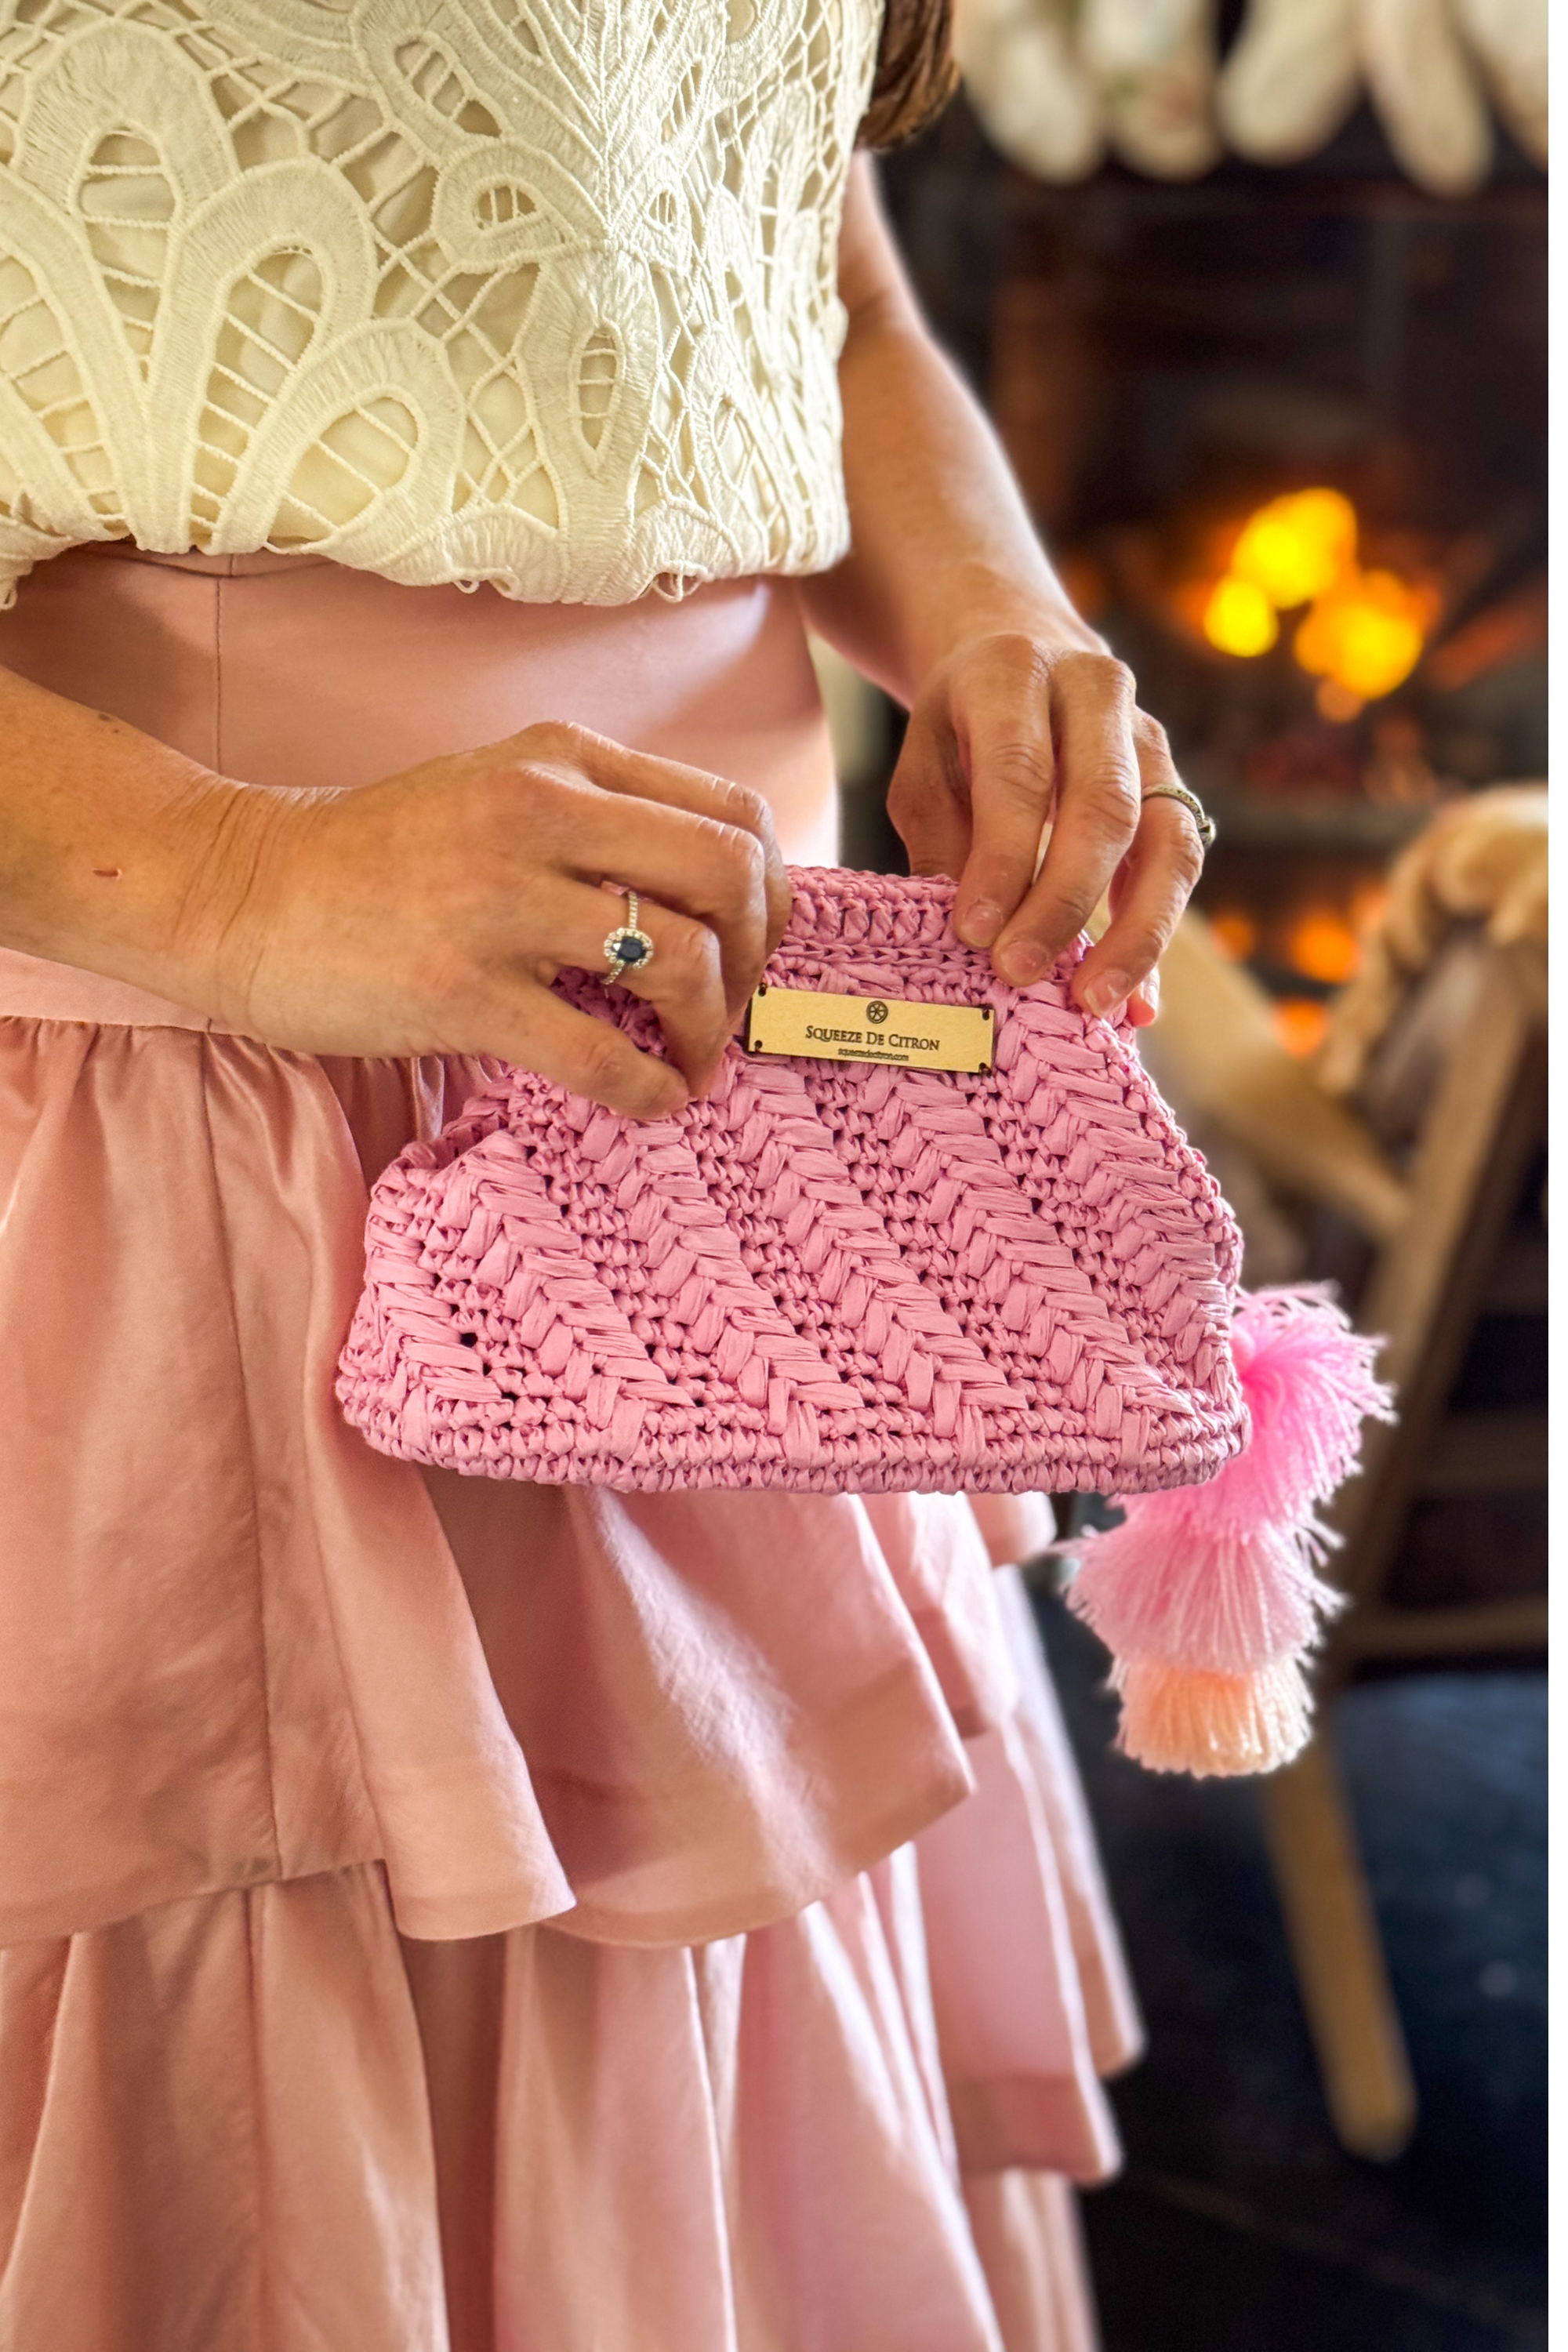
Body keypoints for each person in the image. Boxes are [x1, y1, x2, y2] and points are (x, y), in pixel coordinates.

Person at [0, 3, 1203, 2345]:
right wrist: (239, 881)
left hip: (738, 1175)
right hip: (171, 1168)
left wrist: (999, 626)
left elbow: (818, 283)